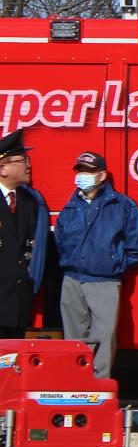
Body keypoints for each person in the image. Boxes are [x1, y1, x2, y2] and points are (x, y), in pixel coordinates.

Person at [53, 151, 138, 378]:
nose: (82, 175)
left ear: (102, 175)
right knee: (73, 338)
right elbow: (60, 238)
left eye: (88, 171)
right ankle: (76, 382)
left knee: (104, 337)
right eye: (80, 170)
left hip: (105, 281)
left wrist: (114, 264)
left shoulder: (122, 205)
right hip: (72, 279)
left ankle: (98, 384)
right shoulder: (71, 205)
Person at [0, 132, 49, 340]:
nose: (28, 166)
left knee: (12, 357)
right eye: (22, 161)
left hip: (18, 302)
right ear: (3, 168)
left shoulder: (29, 201)